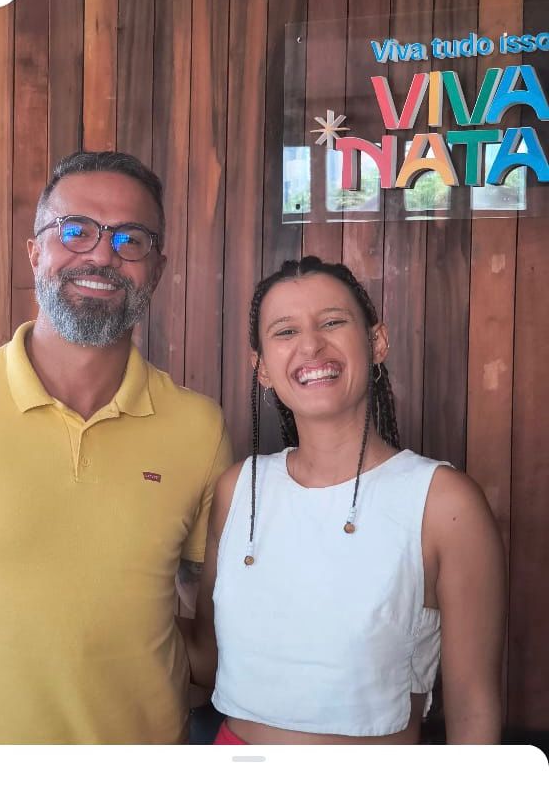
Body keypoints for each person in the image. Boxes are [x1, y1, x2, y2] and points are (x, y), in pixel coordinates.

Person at [0, 151, 231, 751]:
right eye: (76, 231)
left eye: (131, 239)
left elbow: (210, 638)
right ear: (35, 252)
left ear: (156, 269)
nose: (102, 255)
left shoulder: (199, 429)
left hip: (142, 787)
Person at [184, 256, 506, 744]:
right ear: (262, 368)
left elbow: (473, 704)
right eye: (285, 331)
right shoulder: (238, 490)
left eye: (332, 322)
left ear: (377, 342)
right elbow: (207, 659)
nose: (311, 344)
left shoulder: (444, 503)